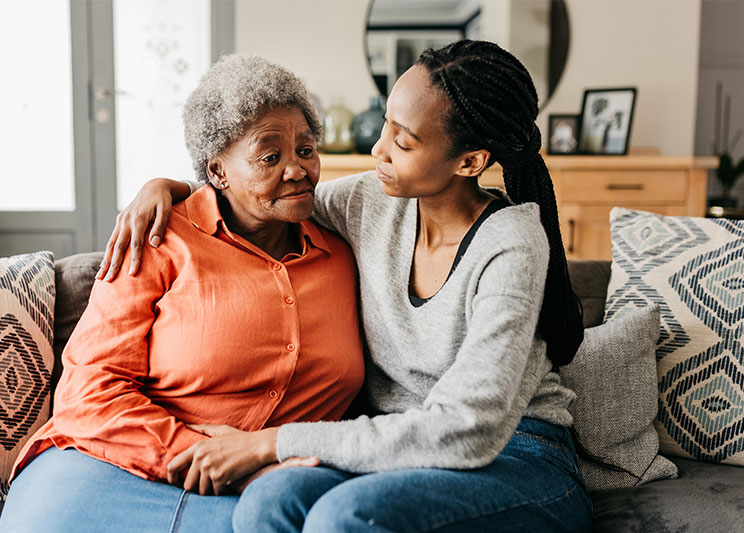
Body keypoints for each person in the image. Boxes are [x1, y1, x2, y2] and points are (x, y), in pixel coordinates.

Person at [99, 40, 593, 532]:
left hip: (518, 455)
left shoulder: (512, 242)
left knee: (346, 518)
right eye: (386, 125)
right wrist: (169, 188)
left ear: (469, 161)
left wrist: (272, 442)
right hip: (397, 455)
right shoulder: (371, 201)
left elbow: (468, 430)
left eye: (403, 141)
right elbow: (265, 195)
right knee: (269, 500)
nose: (378, 149)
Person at [0, 54, 365, 533]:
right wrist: (201, 450)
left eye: (306, 150)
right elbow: (89, 391)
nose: (297, 170)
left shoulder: (346, 249)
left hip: (274, 488)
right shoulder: (156, 237)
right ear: (217, 171)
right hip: (112, 465)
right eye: (270, 156)